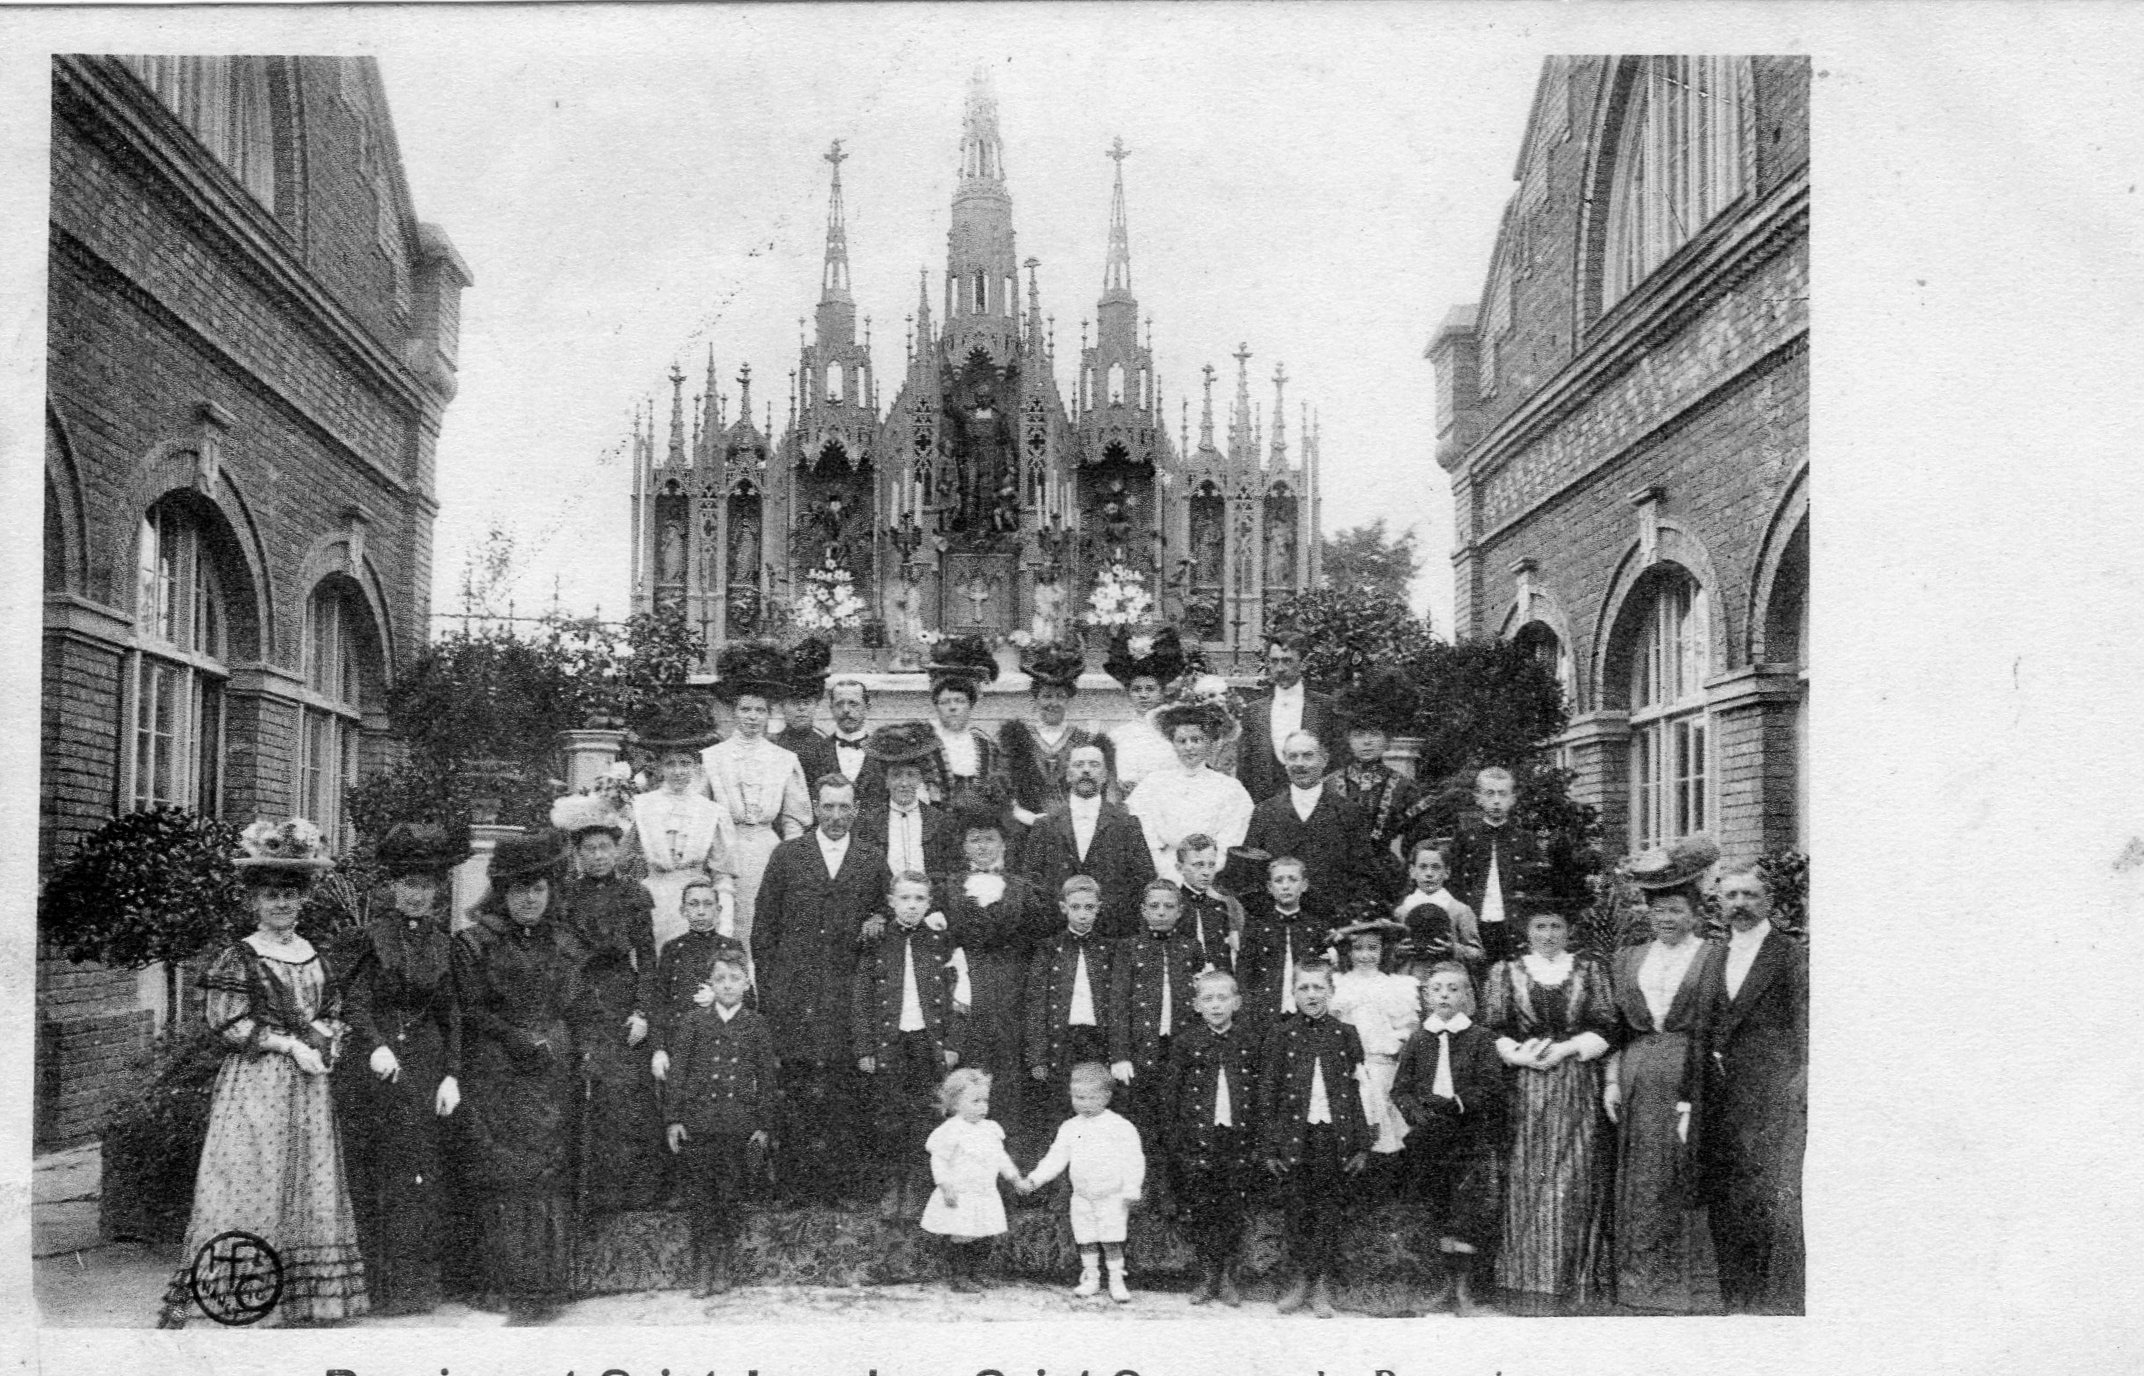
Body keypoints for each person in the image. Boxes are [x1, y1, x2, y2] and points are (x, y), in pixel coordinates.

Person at [157, 819, 366, 1328]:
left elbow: (333, 1007)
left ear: (303, 900)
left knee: (307, 1175)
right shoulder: (241, 955)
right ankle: (242, 1293)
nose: (283, 905)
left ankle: (305, 1298)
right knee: (252, 1174)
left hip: (309, 1085)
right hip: (258, 1082)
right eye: (272, 896)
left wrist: (329, 1039)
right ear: (253, 901)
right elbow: (229, 1022)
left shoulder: (312, 954)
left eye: (291, 896)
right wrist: (291, 1044)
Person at [452, 829, 598, 1326]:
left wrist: (577, 1049)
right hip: (499, 1068)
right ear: (501, 893)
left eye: (537, 889)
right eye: (518, 891)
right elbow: (470, 1009)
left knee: (551, 1168)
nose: (529, 900)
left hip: (554, 1067)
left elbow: (581, 1006)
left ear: (551, 891)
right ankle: (509, 1284)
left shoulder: (565, 941)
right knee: (507, 1168)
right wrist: (514, 1039)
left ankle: (550, 1282)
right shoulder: (476, 943)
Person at [334, 820, 470, 1317]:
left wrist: (452, 1073)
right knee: (378, 1170)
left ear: (438, 890)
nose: (417, 894)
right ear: (393, 886)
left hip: (427, 1065)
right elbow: (353, 999)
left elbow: (451, 1012)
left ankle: (417, 1287)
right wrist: (373, 1043)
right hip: (378, 1064)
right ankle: (377, 1286)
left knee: (421, 1171)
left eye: (427, 885)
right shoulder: (370, 938)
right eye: (409, 884)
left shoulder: (444, 941)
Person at [752, 773, 891, 1204]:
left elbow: (890, 906)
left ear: (856, 809)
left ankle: (840, 1184)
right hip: (794, 993)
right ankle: (795, 1183)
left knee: (842, 1086)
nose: (835, 816)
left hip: (846, 994)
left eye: (844, 807)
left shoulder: (871, 858)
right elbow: (764, 928)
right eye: (827, 807)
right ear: (816, 807)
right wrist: (773, 990)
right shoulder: (788, 855)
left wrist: (879, 919)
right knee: (795, 1084)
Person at [1606, 843, 1725, 1314]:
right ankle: (1638, 1286)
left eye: (1675, 910)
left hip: (1688, 1075)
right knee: (1638, 1178)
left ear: (1696, 914)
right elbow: (1615, 1027)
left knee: (1680, 1172)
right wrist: (1612, 1081)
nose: (1666, 919)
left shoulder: (1714, 956)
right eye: (1658, 910)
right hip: (1636, 1073)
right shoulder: (1628, 958)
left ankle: (1687, 1288)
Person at [1686, 862, 1806, 1315]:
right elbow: (1701, 1030)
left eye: (1749, 895)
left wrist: (1801, 1083)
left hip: (1770, 1097)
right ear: (1718, 902)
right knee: (1723, 1198)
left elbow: (1806, 1023)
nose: (1739, 904)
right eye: (1731, 896)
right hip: (1718, 1099)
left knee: (1764, 1198)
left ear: (1768, 901)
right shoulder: (1715, 955)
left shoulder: (1790, 954)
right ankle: (1733, 1299)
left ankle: (1766, 1302)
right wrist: (1688, 1097)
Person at [1484, 908, 1618, 1314]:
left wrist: (1567, 1048)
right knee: (1525, 1179)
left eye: (1556, 926)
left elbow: (1608, 1026)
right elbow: (1491, 1028)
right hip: (1524, 1089)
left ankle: (1570, 1287)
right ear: (1527, 931)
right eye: (1539, 926)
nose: (1547, 934)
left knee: (1572, 1181)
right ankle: (1522, 1286)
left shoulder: (1588, 970)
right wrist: (1519, 1055)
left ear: (1569, 930)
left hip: (1576, 1084)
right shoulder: (1506, 971)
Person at [551, 793, 664, 1214]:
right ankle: (585, 1195)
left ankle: (629, 1191)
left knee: (625, 1097)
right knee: (582, 1091)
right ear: (577, 855)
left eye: (604, 848)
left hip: (620, 997)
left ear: (617, 850)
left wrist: (642, 1012)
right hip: (579, 995)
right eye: (588, 849)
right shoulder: (564, 898)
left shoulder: (634, 896)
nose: (597, 856)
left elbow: (647, 960)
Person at [942, 795, 1057, 1154]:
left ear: (1003, 843)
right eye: (975, 839)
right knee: (969, 1071)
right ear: (963, 846)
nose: (982, 846)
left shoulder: (1024, 889)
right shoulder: (946, 888)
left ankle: (1012, 1163)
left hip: (1012, 989)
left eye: (990, 839)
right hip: (966, 989)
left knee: (1009, 1074)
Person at [1390, 961, 1506, 1317]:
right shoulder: (1418, 1039)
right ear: (1426, 996)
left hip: (1467, 1137)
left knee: (1468, 1213)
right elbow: (1401, 1089)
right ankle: (1437, 1286)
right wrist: (1417, 1113)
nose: (1444, 994)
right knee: (1433, 1208)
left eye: (1453, 989)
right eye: (1437, 988)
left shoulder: (1480, 1038)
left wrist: (1459, 1102)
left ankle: (1465, 1290)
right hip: (1428, 1137)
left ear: (1468, 997)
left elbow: (1491, 1086)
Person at [1258, 960, 1373, 1318]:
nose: (1311, 995)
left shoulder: (1346, 1034)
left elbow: (1359, 1093)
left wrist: (1361, 1144)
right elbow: (1268, 1093)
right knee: (1296, 1209)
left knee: (1327, 1210)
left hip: (1333, 1136)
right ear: (1292, 993)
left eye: (1318, 988)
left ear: (1331, 992)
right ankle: (1299, 1282)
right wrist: (1269, 1145)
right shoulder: (1281, 1034)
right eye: (1303, 988)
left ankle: (1321, 1282)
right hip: (1295, 1135)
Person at [662, 947, 779, 1300]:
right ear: (710, 984)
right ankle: (702, 1267)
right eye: (720, 979)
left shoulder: (756, 1024)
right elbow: (678, 1074)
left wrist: (763, 1125)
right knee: (700, 1199)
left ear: (746, 983)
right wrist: (674, 1119)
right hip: (698, 1126)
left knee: (729, 1197)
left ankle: (723, 1264)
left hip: (737, 1126)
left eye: (734, 978)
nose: (727, 985)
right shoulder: (692, 1022)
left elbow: (766, 1078)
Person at [853, 871, 965, 1219]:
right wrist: (864, 1048)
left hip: (927, 1042)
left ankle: (919, 1188)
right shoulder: (877, 941)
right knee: (888, 1116)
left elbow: (958, 997)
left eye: (919, 899)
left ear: (929, 903)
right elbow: (862, 997)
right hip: (889, 1041)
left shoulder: (940, 941)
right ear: (890, 903)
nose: (912, 906)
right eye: (904, 898)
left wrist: (952, 1043)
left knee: (926, 1116)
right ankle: (891, 1188)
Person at [702, 641, 815, 962]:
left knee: (765, 926)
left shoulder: (784, 759)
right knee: (727, 925)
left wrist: (794, 864)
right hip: (725, 848)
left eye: (760, 710)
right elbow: (702, 816)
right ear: (733, 712)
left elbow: (794, 822)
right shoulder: (711, 758)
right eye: (745, 709)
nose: (752, 717)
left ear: (770, 714)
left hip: (768, 850)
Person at [1162, 968, 1261, 1306]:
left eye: (1223, 998)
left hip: (1238, 1138)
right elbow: (1171, 1097)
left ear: (1237, 1002)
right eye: (1208, 998)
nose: (1216, 1005)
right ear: (1195, 1005)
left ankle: (1230, 1276)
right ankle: (1207, 1274)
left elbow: (1261, 1094)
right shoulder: (1186, 1042)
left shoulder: (1250, 1041)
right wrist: (1177, 1140)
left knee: (1233, 1207)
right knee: (1202, 1207)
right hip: (1197, 1139)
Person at [1105, 879, 1203, 1211]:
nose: (1161, 912)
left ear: (1180, 911)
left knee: (1178, 1125)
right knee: (1142, 1124)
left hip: (1179, 1050)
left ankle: (1175, 1198)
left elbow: (1200, 1000)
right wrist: (1119, 1054)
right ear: (1143, 910)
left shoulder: (1190, 948)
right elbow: (1117, 1003)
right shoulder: (1128, 948)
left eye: (1169, 907)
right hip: (1140, 1052)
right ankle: (1140, 1196)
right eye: (1154, 906)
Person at [1017, 1063, 1147, 1303]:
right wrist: (1034, 1179)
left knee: (1111, 1239)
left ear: (1107, 1096)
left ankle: (1116, 1279)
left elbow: (1134, 1159)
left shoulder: (1120, 1126)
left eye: (1091, 1097)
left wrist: (1131, 1188)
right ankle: (1091, 1277)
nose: (1084, 1103)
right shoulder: (1070, 1127)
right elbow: (1056, 1157)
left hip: (1112, 1195)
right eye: (1078, 1097)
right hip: (1082, 1196)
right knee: (1085, 1238)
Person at [1018, 740, 1157, 940]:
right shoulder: (1045, 826)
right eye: (1079, 764)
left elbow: (1144, 879)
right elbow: (1032, 883)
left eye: (1094, 764)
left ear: (1105, 775)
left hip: (1113, 934)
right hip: (1058, 935)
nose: (1086, 770)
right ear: (1067, 774)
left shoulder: (1127, 824)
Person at [627, 705, 737, 950]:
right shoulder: (642, 806)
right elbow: (623, 864)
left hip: (697, 906)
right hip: (653, 904)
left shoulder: (711, 811)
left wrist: (724, 921)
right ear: (660, 767)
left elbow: (722, 875)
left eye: (685, 763)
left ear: (696, 767)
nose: (678, 771)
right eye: (671, 763)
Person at [1240, 731, 1380, 910]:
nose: (1299, 764)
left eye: (1308, 756)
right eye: (1293, 756)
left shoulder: (1349, 812)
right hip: (1279, 923)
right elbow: (1250, 874)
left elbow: (1363, 874)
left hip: (1333, 922)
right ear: (1285, 761)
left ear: (1324, 759)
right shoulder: (1264, 812)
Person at [1324, 667, 1437, 886]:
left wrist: (1412, 868)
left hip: (1384, 877)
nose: (1367, 742)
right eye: (1359, 735)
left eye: (1374, 735)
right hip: (1337, 877)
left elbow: (1421, 838)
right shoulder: (1329, 785)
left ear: (1386, 740)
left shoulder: (1404, 788)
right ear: (1349, 740)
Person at [1125, 700, 1253, 885]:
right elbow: (1145, 837)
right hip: (1164, 871)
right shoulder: (1154, 784)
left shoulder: (1230, 788)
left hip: (1212, 874)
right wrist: (1167, 872)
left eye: (1196, 740)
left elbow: (1230, 841)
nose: (1189, 747)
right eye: (1182, 741)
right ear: (1173, 743)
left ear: (1208, 743)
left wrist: (1205, 870)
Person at [1325, 913, 1420, 1161]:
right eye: (1358, 948)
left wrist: (1397, 1044)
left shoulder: (1396, 985)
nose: (1365, 955)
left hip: (1383, 1064)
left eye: (1373, 948)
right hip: (1350, 1065)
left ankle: (1382, 1177)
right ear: (1348, 952)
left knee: (1384, 1125)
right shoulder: (1339, 985)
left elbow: (1406, 1027)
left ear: (1383, 951)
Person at [920, 1068, 1023, 1293]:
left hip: (985, 1193)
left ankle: (977, 1272)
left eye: (985, 1100)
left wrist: (1014, 1177)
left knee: (984, 1235)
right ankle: (959, 1275)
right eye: (975, 1101)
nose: (982, 1107)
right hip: (961, 1194)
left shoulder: (991, 1129)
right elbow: (939, 1160)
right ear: (956, 1103)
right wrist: (944, 1185)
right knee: (962, 1234)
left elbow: (1000, 1157)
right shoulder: (951, 1130)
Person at [1445, 767, 1556, 969]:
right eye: (1490, 793)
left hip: (1512, 925)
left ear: (1512, 798)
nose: (1496, 800)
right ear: (1478, 798)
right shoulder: (1464, 838)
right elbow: (1454, 885)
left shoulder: (1526, 840)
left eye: (1502, 794)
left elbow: (1537, 889)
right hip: (1474, 925)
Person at [1025, 878, 1118, 1113]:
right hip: (1061, 1038)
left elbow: (1119, 1004)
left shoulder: (1111, 949)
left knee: (1098, 1098)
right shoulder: (1048, 949)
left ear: (1099, 907)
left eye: (1089, 907)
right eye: (1075, 907)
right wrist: (1037, 1056)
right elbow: (1036, 1005)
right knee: (1061, 1102)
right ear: (1063, 908)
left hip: (1098, 1038)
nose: (1083, 914)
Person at [1001, 639, 1105, 832]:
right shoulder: (1018, 739)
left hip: (1074, 827)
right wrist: (1025, 816)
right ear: (1036, 699)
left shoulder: (1083, 740)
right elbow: (1003, 784)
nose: (1053, 703)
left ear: (1069, 700)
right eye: (1047, 696)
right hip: (1027, 826)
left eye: (1060, 696)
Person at [1235, 632, 1346, 804]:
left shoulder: (1325, 707)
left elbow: (1339, 761)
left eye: (1287, 661)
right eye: (1274, 661)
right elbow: (1245, 770)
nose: (1280, 668)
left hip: (1315, 805)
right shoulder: (1254, 711)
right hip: (1266, 807)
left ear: (1302, 663)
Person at [851, 722, 959, 879]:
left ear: (919, 779)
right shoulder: (869, 822)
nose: (903, 783)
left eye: (910, 775)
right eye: (896, 775)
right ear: (886, 781)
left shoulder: (939, 820)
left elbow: (949, 869)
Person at [1237, 855, 1331, 1029]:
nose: (1286, 886)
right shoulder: (1256, 929)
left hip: (1306, 1014)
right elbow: (1245, 976)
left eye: (1292, 879)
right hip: (1265, 1015)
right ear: (1270, 888)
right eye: (1279, 880)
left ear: (1304, 885)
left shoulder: (1316, 928)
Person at [1102, 627, 1188, 794]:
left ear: (1162, 692)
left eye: (1150, 689)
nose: (1143, 695)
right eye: (1137, 689)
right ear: (1128, 693)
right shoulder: (1117, 736)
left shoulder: (1176, 733)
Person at [920, 635, 1004, 807]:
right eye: (945, 702)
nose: (953, 708)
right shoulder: (923, 742)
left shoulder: (985, 744)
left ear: (971, 705)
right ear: (936, 705)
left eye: (960, 701)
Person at [1392, 838, 1486, 984]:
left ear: (1447, 872)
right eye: (1423, 867)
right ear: (1412, 871)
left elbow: (1478, 954)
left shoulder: (1460, 911)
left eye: (1436, 867)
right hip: (1409, 981)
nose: (1429, 874)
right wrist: (1397, 952)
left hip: (1448, 981)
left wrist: (1454, 949)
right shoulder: (1401, 912)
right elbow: (1387, 952)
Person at [1172, 834, 1244, 974]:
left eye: (1211, 865)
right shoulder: (1172, 907)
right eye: (1198, 865)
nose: (1206, 872)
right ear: (1179, 868)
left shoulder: (1220, 906)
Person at [772, 636, 836, 780]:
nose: (801, 708)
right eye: (795, 702)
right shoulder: (773, 745)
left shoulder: (826, 747)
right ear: (782, 706)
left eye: (807, 702)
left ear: (816, 704)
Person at [820, 676, 886, 807]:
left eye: (853, 703)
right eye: (839, 704)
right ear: (831, 709)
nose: (846, 710)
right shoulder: (817, 751)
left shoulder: (884, 753)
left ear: (867, 708)